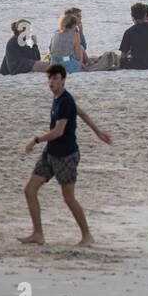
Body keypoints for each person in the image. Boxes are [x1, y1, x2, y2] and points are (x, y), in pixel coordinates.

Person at [20, 65, 112, 247]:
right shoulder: (59, 98)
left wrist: (35, 140)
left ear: (63, 80)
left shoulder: (65, 101)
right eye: (50, 79)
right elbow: (83, 113)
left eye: (55, 78)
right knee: (29, 191)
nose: (51, 82)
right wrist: (98, 132)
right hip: (50, 153)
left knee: (69, 197)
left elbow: (58, 131)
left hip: (66, 156)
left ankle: (87, 236)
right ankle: (38, 234)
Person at [119, 2, 148, 70]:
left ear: (132, 16)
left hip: (137, 66)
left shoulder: (129, 32)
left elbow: (123, 56)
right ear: (145, 15)